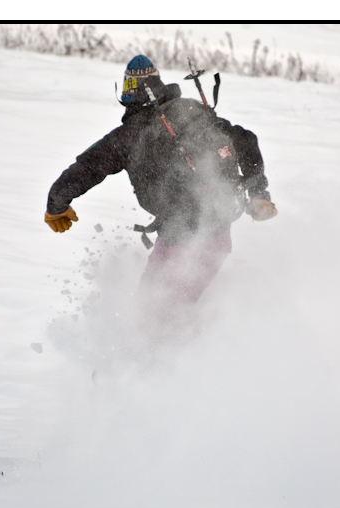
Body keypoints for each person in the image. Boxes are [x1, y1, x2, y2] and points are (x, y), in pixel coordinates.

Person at [44, 55, 277, 337]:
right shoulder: (193, 111)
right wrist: (258, 192)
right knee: (179, 311)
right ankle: (197, 360)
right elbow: (246, 139)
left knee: (153, 316)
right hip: (218, 236)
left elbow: (88, 166)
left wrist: (57, 203)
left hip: (181, 242)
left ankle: (163, 374)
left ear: (128, 91)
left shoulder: (129, 136)